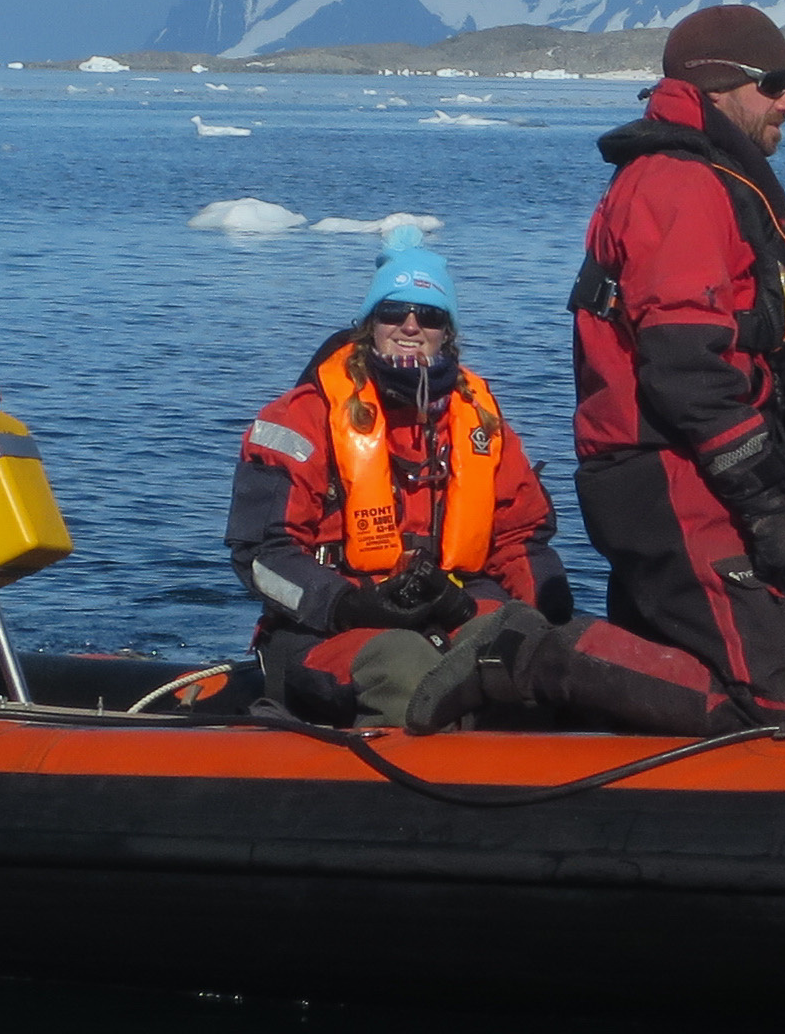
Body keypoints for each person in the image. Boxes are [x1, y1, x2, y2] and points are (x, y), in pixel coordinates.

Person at [230, 237, 749, 738]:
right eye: (394, 313)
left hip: (450, 611)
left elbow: (519, 537)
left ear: (446, 333)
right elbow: (261, 557)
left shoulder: (477, 421)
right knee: (404, 668)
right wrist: (347, 605)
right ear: (370, 325)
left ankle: (730, 722)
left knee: (550, 652)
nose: (411, 326)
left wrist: (543, 616)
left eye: (429, 316)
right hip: (323, 629)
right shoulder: (300, 419)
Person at [568, 4, 785, 718]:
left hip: (678, 468)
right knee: (758, 690)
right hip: (667, 472)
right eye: (774, 83)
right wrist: (764, 503)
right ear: (717, 87)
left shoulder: (696, 176)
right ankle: (532, 653)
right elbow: (686, 370)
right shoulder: (680, 184)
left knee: (685, 662)